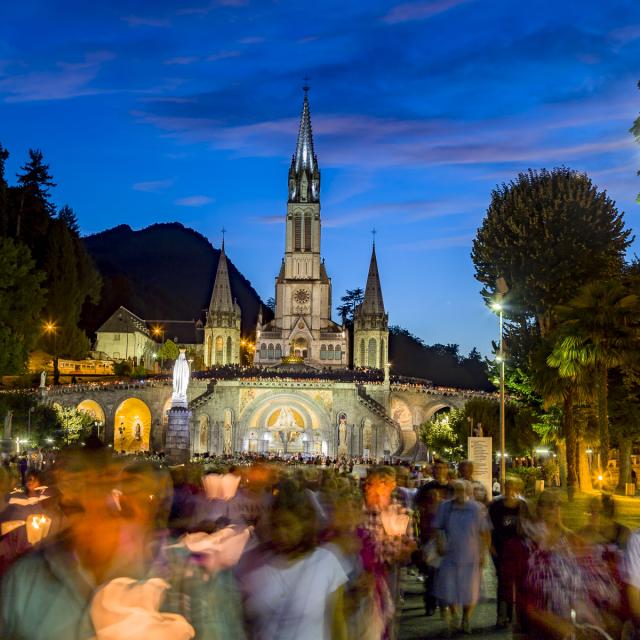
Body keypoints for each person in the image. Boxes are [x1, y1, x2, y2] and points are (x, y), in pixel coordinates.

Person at [237, 478, 348, 640]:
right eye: (276, 525)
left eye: (288, 525)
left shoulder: (326, 562)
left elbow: (337, 623)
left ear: (304, 525)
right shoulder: (253, 562)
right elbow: (243, 622)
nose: (281, 533)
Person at [433, 479, 490, 635]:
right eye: (455, 490)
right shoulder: (446, 507)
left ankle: (466, 618)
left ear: (468, 492)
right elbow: (438, 527)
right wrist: (439, 543)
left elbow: (484, 532)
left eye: (462, 490)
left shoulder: (476, 508)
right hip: (450, 554)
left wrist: (483, 553)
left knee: (469, 590)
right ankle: (454, 615)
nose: (459, 493)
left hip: (470, 554)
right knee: (449, 588)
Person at [488, 475, 527, 628]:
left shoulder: (523, 505)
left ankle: (514, 616)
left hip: (517, 549)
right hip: (500, 548)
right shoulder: (496, 505)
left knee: (517, 581)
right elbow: (489, 527)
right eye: (507, 486)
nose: (510, 490)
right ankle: (502, 615)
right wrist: (490, 545)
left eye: (513, 487)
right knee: (503, 582)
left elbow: (527, 526)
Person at [414, 459, 452, 616]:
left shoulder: (452, 488)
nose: (439, 471)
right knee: (431, 571)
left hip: (448, 534)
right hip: (429, 533)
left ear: (447, 470)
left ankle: (444, 602)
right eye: (437, 468)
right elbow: (416, 506)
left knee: (446, 571)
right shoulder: (426, 487)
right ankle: (430, 602)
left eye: (442, 468)